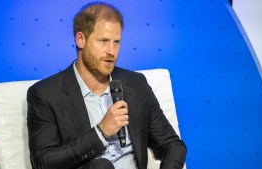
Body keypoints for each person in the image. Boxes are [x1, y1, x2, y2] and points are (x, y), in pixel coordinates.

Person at [27, 2, 187, 169]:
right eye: (103, 41)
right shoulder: (45, 94)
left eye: (116, 42)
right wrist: (101, 132)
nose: (112, 51)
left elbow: (172, 145)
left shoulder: (135, 83)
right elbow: (43, 162)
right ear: (81, 39)